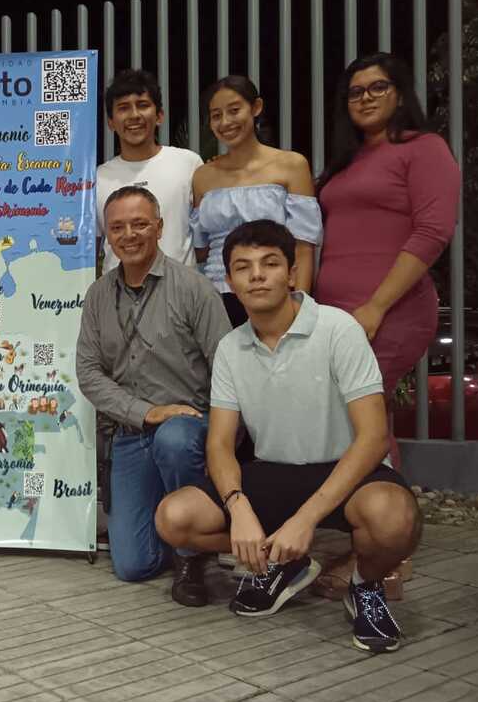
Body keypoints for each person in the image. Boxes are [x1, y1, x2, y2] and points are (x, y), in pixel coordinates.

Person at [155, 220, 422, 653]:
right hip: (275, 472)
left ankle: (365, 587)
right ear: (231, 282)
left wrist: (304, 520)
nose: (256, 275)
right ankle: (287, 564)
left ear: (293, 274)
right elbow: (220, 444)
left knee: (395, 520)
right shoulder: (231, 347)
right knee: (175, 518)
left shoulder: (339, 329)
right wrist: (237, 506)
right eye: (243, 267)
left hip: (347, 473)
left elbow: (373, 438)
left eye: (270, 263)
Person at [76, 186, 230, 601]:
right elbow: (88, 374)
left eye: (140, 224)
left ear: (159, 228)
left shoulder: (194, 289)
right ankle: (188, 532)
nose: (129, 235)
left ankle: (192, 557)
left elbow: (228, 369)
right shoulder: (97, 296)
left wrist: (220, 438)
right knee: (132, 565)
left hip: (189, 430)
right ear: (107, 235)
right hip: (131, 433)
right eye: (118, 227)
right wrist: (147, 412)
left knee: (175, 437)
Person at [314, 53, 459, 470]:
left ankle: (385, 516)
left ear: (399, 94)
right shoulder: (347, 162)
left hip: (390, 309)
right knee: (358, 412)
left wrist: (376, 306)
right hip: (337, 313)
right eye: (355, 92)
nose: (366, 98)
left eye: (379, 87)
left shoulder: (424, 148)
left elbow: (433, 231)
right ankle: (375, 516)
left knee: (359, 408)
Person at [190, 75, 321, 327]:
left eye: (234, 110)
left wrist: (300, 304)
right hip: (216, 297)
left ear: (256, 107)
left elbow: (304, 247)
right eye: (216, 115)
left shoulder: (292, 165)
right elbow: (200, 252)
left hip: (275, 292)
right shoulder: (202, 176)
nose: (225, 122)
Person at [95, 68, 203, 271]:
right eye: (123, 108)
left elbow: (204, 240)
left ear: (159, 115)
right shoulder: (98, 178)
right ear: (111, 122)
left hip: (182, 294)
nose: (134, 115)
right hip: (120, 297)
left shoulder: (189, 163)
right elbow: (90, 251)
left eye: (142, 105)